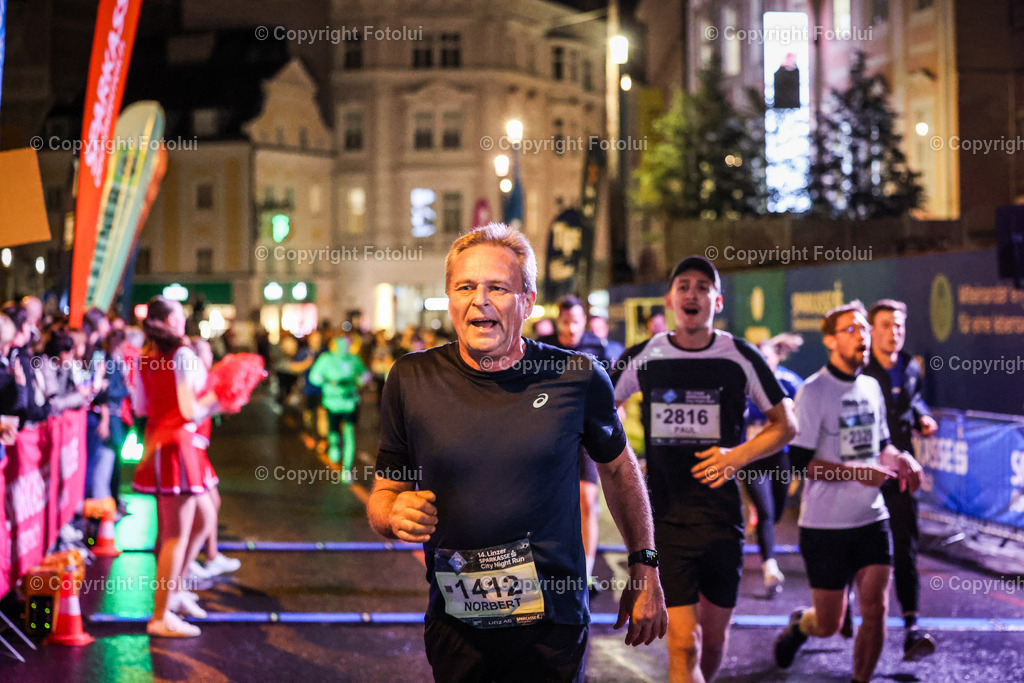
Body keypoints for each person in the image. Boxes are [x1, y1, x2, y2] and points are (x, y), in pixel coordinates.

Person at [367, 223, 667, 681]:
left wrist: (645, 567)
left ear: (527, 302)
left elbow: (621, 471)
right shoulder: (410, 379)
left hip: (552, 627)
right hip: (457, 622)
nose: (479, 300)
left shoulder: (576, 376)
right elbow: (383, 498)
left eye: (498, 288)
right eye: (465, 286)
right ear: (449, 298)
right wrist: (392, 514)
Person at [612, 255, 797, 683]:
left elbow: (788, 425)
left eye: (702, 286)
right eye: (684, 286)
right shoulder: (645, 355)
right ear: (670, 300)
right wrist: (625, 453)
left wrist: (736, 457)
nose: (692, 293)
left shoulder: (738, 355)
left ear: (716, 300)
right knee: (684, 643)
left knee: (713, 642)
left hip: (721, 522)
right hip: (666, 524)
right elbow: (604, 409)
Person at [773, 301, 923, 683]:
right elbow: (802, 465)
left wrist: (901, 457)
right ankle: (800, 626)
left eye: (864, 330)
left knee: (875, 609)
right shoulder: (814, 391)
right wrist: (856, 471)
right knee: (828, 623)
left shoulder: (872, 386)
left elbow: (883, 443)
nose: (863, 337)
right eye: (851, 330)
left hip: (872, 519)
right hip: (824, 527)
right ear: (829, 340)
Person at [131, 296, 222, 637]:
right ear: (169, 321)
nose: (184, 321)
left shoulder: (146, 357)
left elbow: (141, 407)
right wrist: (221, 397)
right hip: (177, 446)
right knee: (174, 534)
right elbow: (190, 410)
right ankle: (160, 614)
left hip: (163, 442)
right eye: (179, 316)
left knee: (203, 518)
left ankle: (176, 591)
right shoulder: (182, 355)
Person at [864, 299, 938, 660]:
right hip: (866, 472)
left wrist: (923, 417)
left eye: (899, 326)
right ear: (871, 329)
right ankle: (837, 608)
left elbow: (914, 401)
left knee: (906, 547)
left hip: (903, 472)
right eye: (886, 326)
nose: (894, 333)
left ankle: (911, 628)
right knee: (861, 546)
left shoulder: (910, 367)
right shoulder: (859, 371)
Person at [538, 295, 617, 594]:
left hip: (585, 433)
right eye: (565, 322)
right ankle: (548, 566)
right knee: (550, 501)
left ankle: (585, 572)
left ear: (584, 322)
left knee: (587, 499)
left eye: (575, 322)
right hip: (552, 433)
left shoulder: (597, 347)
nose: (570, 329)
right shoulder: (542, 344)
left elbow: (610, 390)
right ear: (558, 321)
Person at [742, 332, 804, 595]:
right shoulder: (745, 384)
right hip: (752, 457)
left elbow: (807, 410)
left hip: (780, 457)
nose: (762, 363)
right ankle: (770, 569)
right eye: (758, 359)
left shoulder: (790, 382)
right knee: (766, 511)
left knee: (777, 512)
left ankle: (759, 527)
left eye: (766, 357)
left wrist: (790, 413)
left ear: (777, 358)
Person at [308, 334, 369, 469]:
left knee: (349, 433)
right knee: (333, 431)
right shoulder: (326, 359)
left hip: (350, 402)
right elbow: (314, 376)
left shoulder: (354, 359)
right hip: (332, 403)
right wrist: (329, 381)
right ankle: (334, 446)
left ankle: (347, 467)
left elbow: (365, 375)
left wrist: (360, 380)